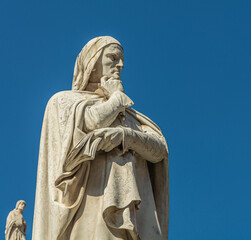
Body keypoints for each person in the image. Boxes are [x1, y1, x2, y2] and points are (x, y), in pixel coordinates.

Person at [32, 36, 169, 240]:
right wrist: (116, 99)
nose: (120, 65)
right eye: (113, 58)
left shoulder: (132, 118)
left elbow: (159, 151)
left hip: (133, 210)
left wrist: (125, 136)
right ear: (93, 61)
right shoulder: (64, 102)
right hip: (87, 207)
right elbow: (92, 121)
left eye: (121, 60)